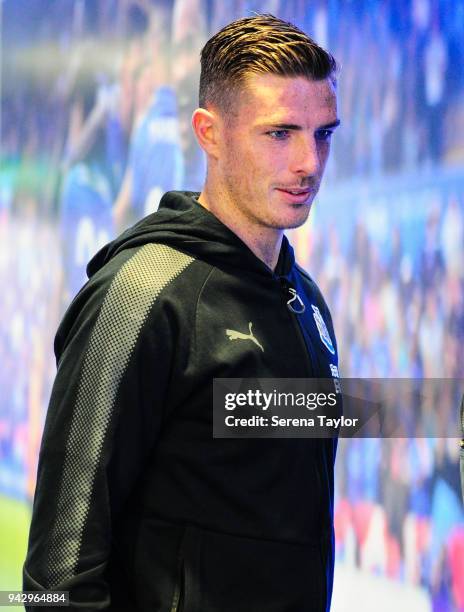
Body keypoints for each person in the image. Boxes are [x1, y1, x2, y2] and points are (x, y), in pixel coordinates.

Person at [23, 14, 341, 611]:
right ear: (209, 133)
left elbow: (258, 441)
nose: (309, 162)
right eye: (281, 133)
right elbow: (58, 578)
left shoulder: (307, 303)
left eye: (323, 134)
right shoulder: (139, 296)